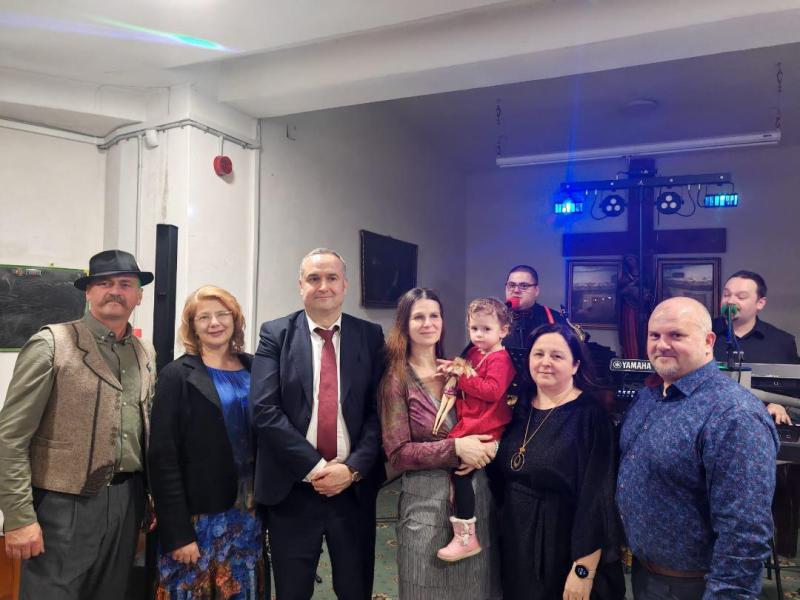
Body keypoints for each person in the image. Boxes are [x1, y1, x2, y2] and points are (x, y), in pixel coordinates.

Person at [0, 249, 156, 599]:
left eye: (125, 284)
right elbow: (10, 438)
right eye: (104, 283)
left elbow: (144, 430)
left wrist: (149, 499)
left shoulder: (145, 353)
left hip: (127, 501)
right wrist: (19, 517)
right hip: (62, 505)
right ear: (88, 292)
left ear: (139, 295)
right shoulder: (51, 344)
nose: (115, 291)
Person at [617, 297, 778, 599]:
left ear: (708, 341)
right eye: (654, 335)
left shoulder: (734, 415)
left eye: (676, 335)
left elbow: (744, 530)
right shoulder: (648, 397)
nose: (662, 345)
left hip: (696, 586)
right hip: (643, 575)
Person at [249, 248, 385, 600]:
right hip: (292, 488)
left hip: (352, 491)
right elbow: (264, 410)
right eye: (314, 278)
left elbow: (380, 412)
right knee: (292, 591)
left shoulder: (370, 336)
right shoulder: (276, 334)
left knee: (355, 589)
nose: (323, 286)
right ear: (301, 286)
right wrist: (317, 468)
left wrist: (351, 469)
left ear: (345, 285)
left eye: (331, 278)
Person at [148, 285, 269, 599]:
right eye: (204, 317)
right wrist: (178, 533)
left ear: (235, 320)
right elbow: (163, 458)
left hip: (249, 511)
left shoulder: (256, 368)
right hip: (198, 519)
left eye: (222, 314)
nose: (214, 323)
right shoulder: (177, 375)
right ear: (192, 326)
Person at [380, 287, 500, 599]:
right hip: (425, 508)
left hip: (475, 503)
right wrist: (455, 448)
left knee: (475, 591)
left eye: (434, 315)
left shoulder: (459, 370)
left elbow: (494, 417)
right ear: (404, 324)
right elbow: (398, 454)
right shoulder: (396, 379)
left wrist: (493, 447)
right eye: (418, 317)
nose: (428, 323)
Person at [494, 323, 624, 600]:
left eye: (557, 356)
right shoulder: (519, 407)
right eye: (538, 354)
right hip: (515, 542)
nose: (545, 362)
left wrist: (583, 570)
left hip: (563, 545)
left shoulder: (590, 417)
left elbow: (598, 498)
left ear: (575, 365)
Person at [433, 298, 515, 562]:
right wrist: (452, 368)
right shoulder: (476, 353)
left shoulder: (501, 359)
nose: (479, 335)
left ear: (503, 330)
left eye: (486, 329)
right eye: (474, 329)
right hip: (472, 420)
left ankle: (466, 535)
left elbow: (491, 391)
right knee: (457, 469)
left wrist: (462, 376)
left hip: (486, 425)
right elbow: (467, 372)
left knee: (461, 473)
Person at [503, 265, 565, 398]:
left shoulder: (555, 319)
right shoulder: (493, 317)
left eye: (524, 286)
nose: (516, 290)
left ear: (536, 290)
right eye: (511, 285)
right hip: (499, 396)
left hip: (544, 395)